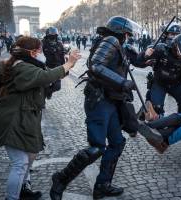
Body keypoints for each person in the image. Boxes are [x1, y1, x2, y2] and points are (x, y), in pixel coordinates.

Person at [49, 16, 141, 200]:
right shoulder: (111, 40)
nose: (128, 38)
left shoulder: (112, 42)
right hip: (99, 101)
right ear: (120, 33)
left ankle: (102, 185)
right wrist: (122, 82)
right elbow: (96, 66)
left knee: (117, 142)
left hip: (110, 101)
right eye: (127, 35)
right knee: (97, 147)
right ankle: (61, 179)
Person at [0, 36, 80, 200]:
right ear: (31, 52)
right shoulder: (23, 68)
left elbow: (45, 74)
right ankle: (12, 197)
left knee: (31, 153)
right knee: (20, 163)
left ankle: (23, 189)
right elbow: (43, 77)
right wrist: (69, 64)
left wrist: (66, 66)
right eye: (39, 50)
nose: (41, 53)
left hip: (24, 117)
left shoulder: (23, 65)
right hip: (13, 120)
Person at [136, 24, 181, 118]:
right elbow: (139, 61)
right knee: (156, 109)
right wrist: (145, 54)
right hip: (160, 83)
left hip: (176, 85)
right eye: (171, 34)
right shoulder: (160, 49)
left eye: (176, 34)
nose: (180, 54)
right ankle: (143, 115)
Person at [42, 27, 66, 99]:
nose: (54, 35)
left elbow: (62, 56)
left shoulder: (59, 44)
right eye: (52, 33)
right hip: (46, 68)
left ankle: (49, 92)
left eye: (55, 33)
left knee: (57, 86)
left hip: (57, 67)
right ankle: (42, 101)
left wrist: (64, 68)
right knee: (44, 86)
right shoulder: (42, 43)